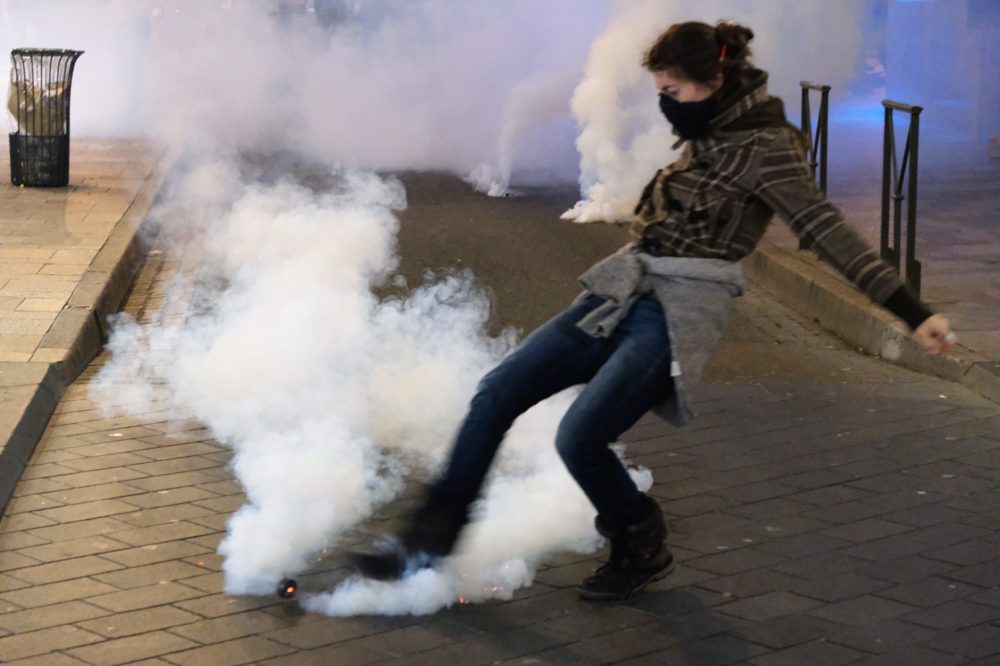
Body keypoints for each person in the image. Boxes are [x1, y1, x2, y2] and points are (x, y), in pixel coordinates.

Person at [353, 20, 956, 601]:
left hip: (678, 310)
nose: (666, 104)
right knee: (496, 393)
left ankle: (640, 539)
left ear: (712, 81)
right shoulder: (711, 127)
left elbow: (827, 231)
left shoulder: (768, 147)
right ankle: (428, 543)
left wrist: (910, 309)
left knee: (581, 436)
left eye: (672, 91)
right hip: (624, 289)